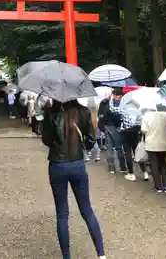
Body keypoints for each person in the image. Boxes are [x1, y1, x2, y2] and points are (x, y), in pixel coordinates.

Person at [42, 100, 106, 259]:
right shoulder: (83, 112)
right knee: (87, 210)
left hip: (57, 164)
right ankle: (101, 254)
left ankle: (66, 257)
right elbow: (91, 140)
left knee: (62, 214)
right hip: (77, 163)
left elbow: (46, 140)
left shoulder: (51, 112)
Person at [141, 109, 166, 193]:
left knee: (154, 163)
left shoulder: (147, 116)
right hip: (163, 142)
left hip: (151, 144)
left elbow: (143, 130)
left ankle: (158, 186)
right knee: (163, 163)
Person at [98, 91, 127, 174]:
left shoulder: (105, 103)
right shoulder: (118, 105)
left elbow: (100, 116)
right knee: (118, 147)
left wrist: (102, 127)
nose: (120, 98)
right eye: (119, 96)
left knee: (110, 148)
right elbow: (118, 117)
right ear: (114, 95)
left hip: (107, 127)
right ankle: (122, 167)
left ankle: (111, 168)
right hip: (115, 127)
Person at [119, 107, 149, 182]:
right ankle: (145, 173)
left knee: (128, 153)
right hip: (135, 135)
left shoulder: (123, 111)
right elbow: (140, 126)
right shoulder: (138, 113)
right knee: (138, 153)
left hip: (125, 135)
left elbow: (118, 121)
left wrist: (122, 130)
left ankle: (131, 174)